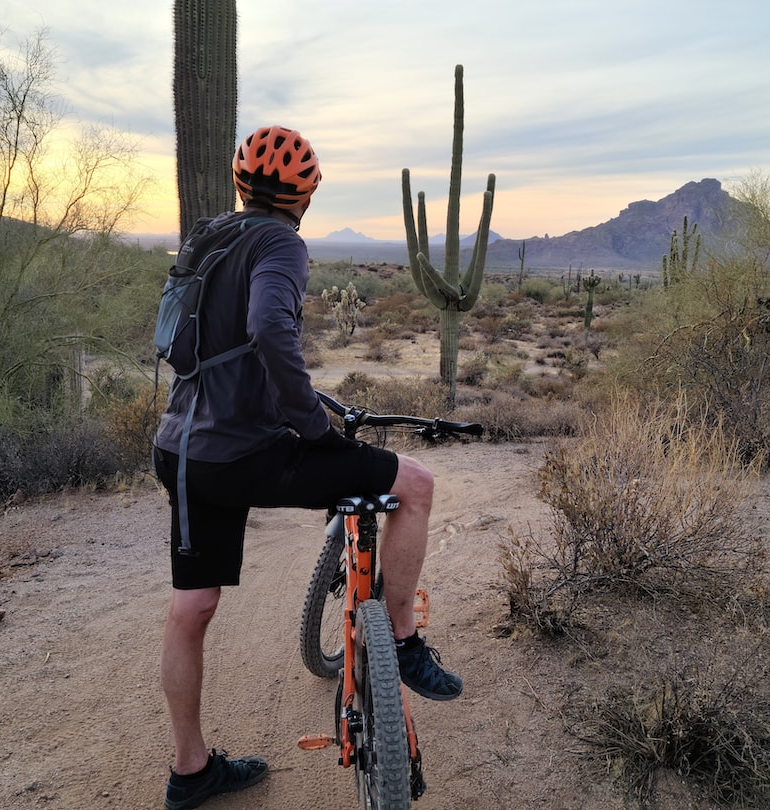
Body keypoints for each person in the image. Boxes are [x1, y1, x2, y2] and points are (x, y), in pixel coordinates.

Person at [152, 125, 462, 810]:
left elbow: (208, 343)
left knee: (191, 608)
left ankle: (190, 770)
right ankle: (402, 639)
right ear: (306, 196)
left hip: (182, 450)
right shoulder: (281, 243)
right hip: (248, 453)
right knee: (415, 484)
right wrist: (312, 426)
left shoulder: (207, 238)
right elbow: (268, 329)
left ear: (241, 184)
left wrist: (291, 401)